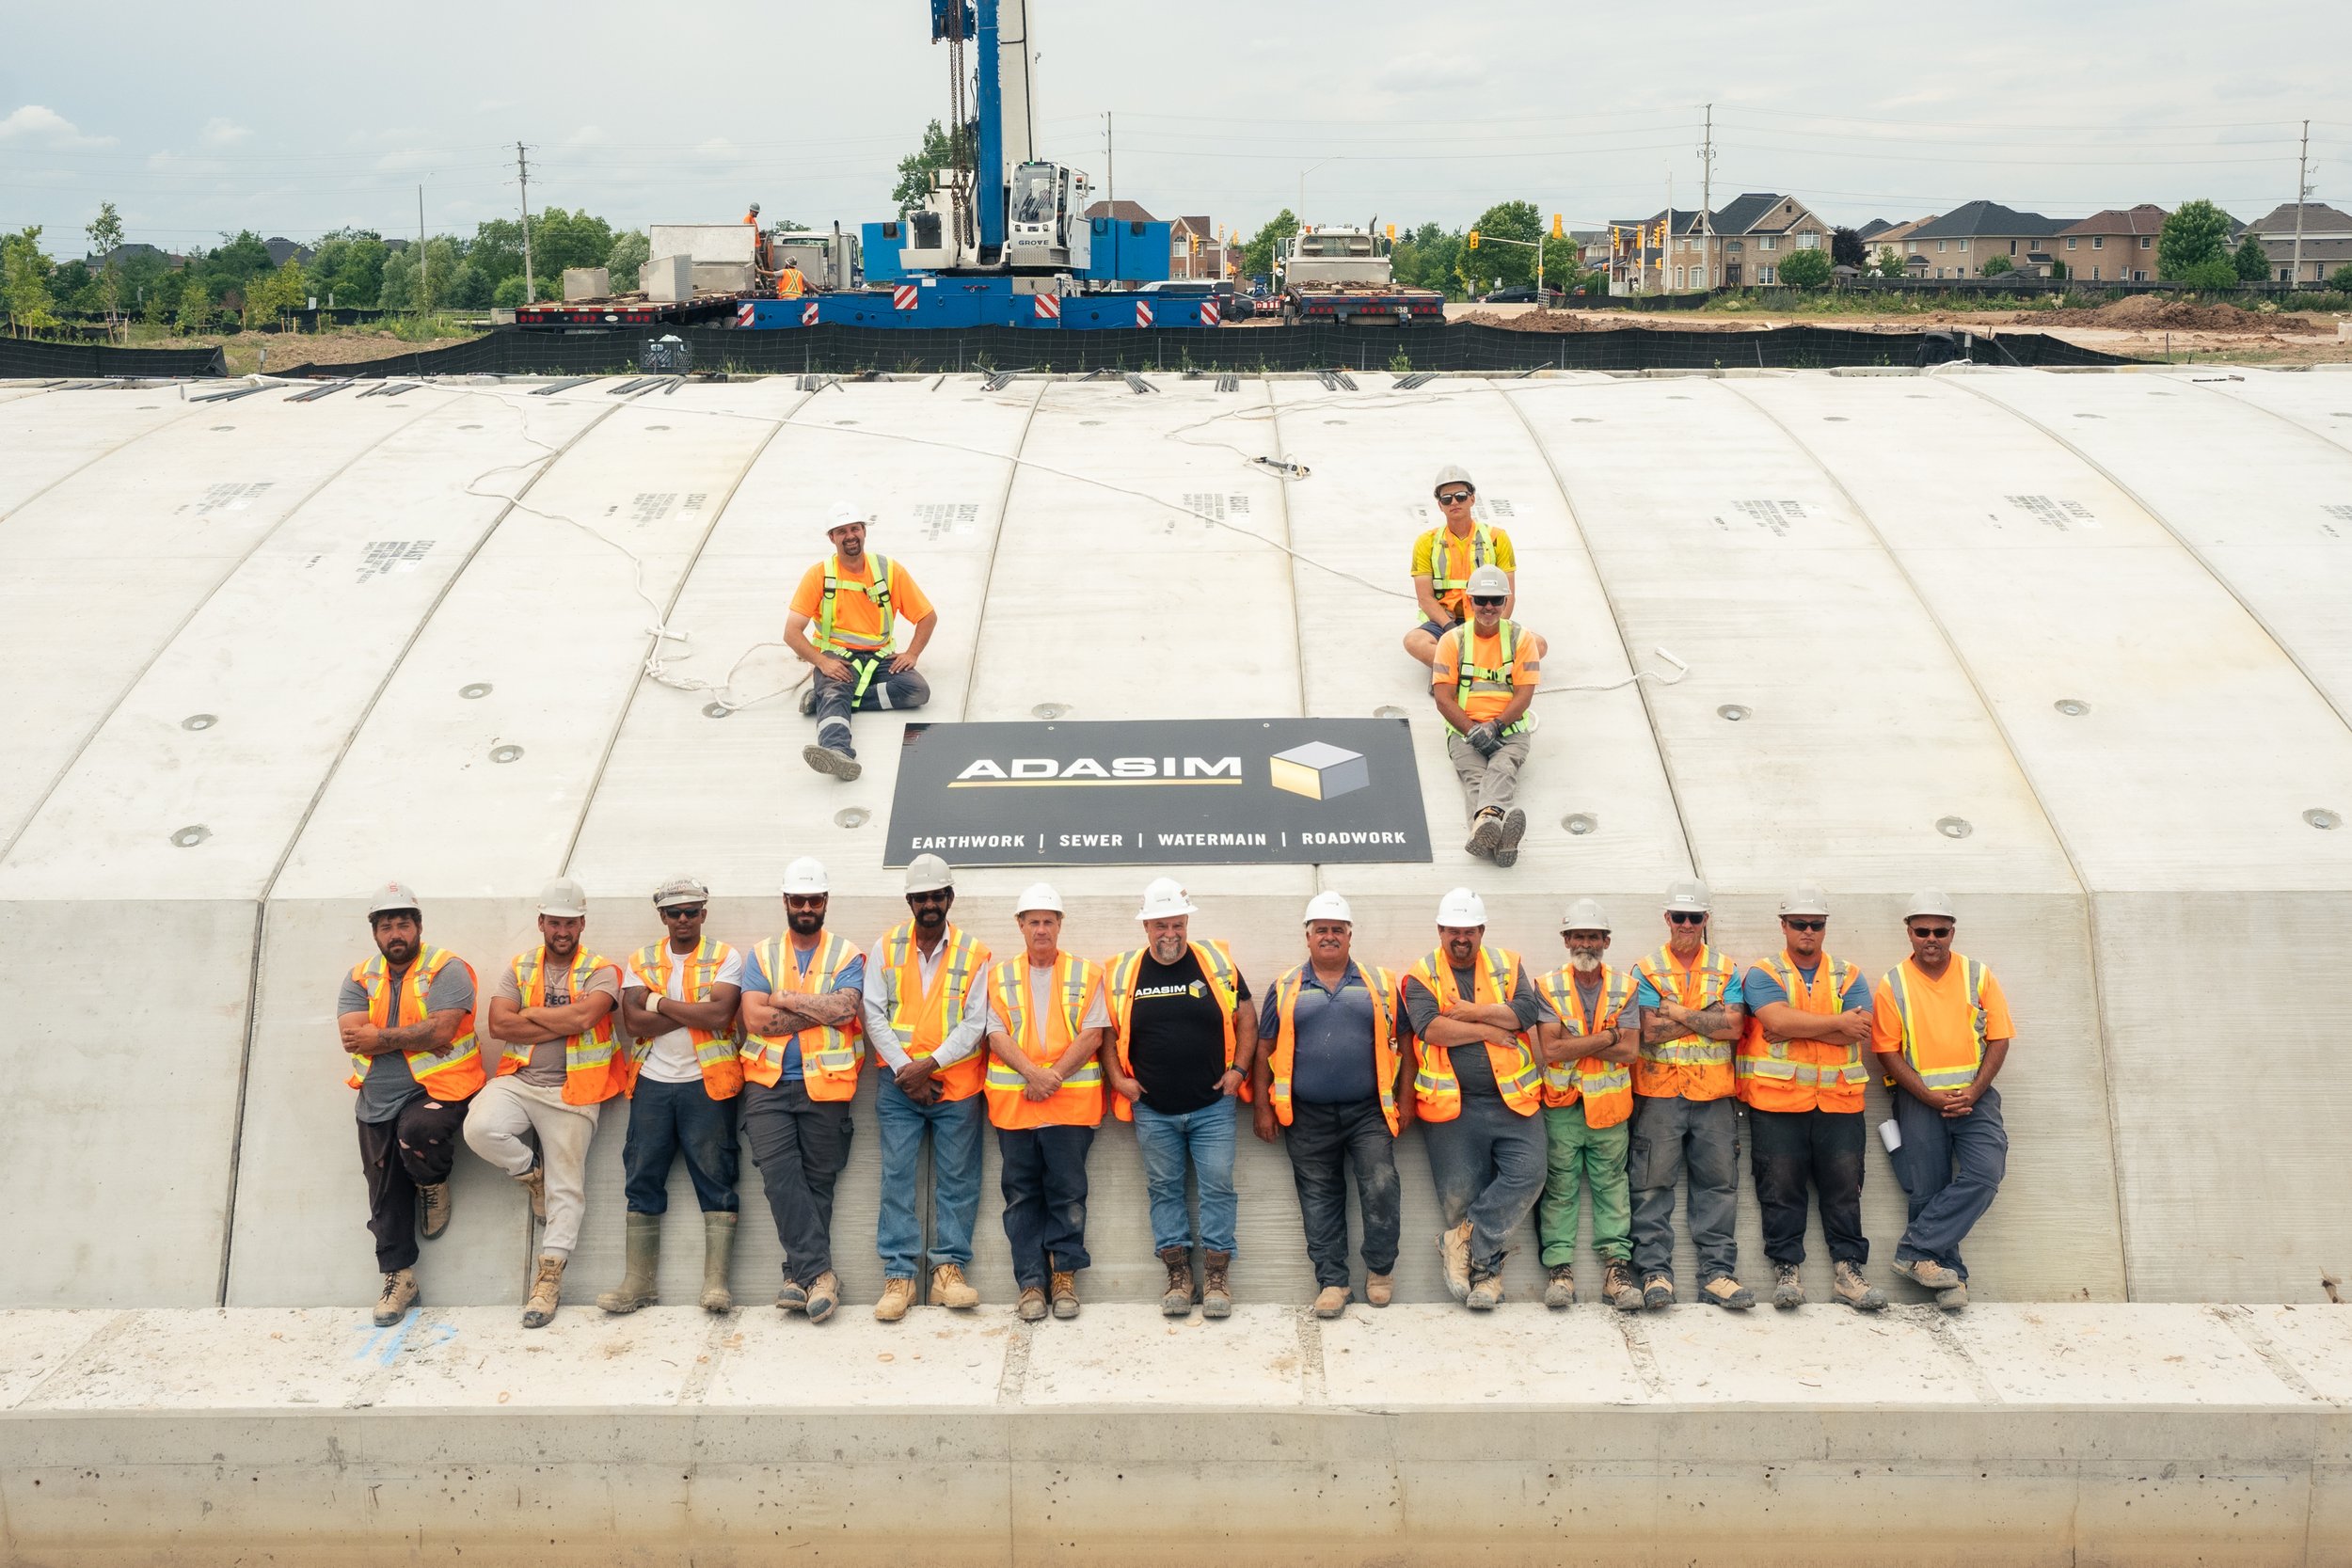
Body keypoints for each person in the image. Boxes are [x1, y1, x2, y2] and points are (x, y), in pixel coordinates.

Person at [469, 878, 625, 1329]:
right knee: (480, 1128)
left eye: (570, 923)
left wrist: (531, 1015)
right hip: (520, 1080)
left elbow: (585, 1017)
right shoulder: (519, 967)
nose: (562, 930)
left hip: (574, 1090)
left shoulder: (602, 970)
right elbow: (499, 1026)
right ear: (541, 922)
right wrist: (562, 1021)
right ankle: (528, 1172)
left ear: (581, 924)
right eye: (555, 922)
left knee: (568, 1189)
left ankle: (549, 1277)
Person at [1105, 878, 1257, 1321]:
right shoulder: (1123, 971)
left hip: (1212, 1107)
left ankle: (1215, 1277)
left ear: (1186, 921)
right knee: (1164, 1190)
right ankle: (1177, 1277)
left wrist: (1239, 1071)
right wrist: (1119, 1080)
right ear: (1146, 926)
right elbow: (1108, 1032)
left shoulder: (1215, 961)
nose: (1169, 933)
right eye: (1160, 925)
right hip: (1152, 1110)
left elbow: (1246, 1017)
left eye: (1176, 924)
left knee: (1217, 1188)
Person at [1250, 891, 1406, 1319]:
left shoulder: (1378, 982)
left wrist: (1405, 1100)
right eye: (1322, 930)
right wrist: (1263, 1108)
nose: (1330, 936)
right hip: (1306, 1113)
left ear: (1350, 936)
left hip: (1368, 1112)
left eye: (1338, 929)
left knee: (1380, 1184)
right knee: (1318, 1197)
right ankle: (1333, 1282)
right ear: (1308, 937)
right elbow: (1264, 1048)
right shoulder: (1285, 987)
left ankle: (1379, 1271)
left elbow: (1407, 1045)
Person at [337, 881, 484, 1326]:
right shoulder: (360, 976)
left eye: (404, 923)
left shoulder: (447, 968)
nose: (395, 933)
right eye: (386, 926)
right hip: (376, 1096)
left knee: (419, 1133)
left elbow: (441, 1033)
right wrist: (414, 1034)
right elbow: (350, 1039)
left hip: (439, 1087)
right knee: (382, 1193)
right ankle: (398, 1277)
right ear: (375, 933)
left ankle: (432, 1182)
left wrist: (380, 1037)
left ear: (419, 926)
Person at [1401, 887, 1554, 1311]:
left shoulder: (1509, 964)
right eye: (1453, 931)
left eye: (1468, 931)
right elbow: (1431, 1029)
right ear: (1440, 930)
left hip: (1514, 1101)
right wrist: (1489, 1028)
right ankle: (1488, 1280)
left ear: (1482, 930)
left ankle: (1459, 1242)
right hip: (1452, 1107)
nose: (1461, 939)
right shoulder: (1420, 974)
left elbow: (1523, 1014)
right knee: (1462, 1196)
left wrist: (1468, 1012)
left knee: (1529, 1175)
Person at [597, 877, 745, 1317]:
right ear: (662, 916)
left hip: (708, 1081)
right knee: (641, 1175)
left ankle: (716, 1284)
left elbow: (721, 1013)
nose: (684, 919)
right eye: (675, 912)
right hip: (652, 1084)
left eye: (692, 911)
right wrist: (691, 1012)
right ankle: (637, 1284)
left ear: (704, 912)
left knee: (717, 1176)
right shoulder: (640, 959)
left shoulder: (726, 956)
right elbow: (634, 1026)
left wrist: (658, 1001)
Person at [1737, 885, 1886, 1312]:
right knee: (1779, 1187)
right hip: (1778, 1103)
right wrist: (1832, 1022)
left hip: (1839, 1102)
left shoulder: (1848, 974)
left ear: (1824, 928)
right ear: (1783, 926)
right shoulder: (1763, 973)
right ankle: (1787, 1271)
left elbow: (1859, 1028)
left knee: (1845, 1189)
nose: (1807, 931)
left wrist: (1795, 1026)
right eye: (1799, 924)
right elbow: (1773, 1018)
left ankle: (1848, 1273)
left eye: (1815, 925)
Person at [863, 854, 993, 1321]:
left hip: (956, 1086)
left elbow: (975, 1021)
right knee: (897, 1178)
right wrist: (906, 1071)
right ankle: (899, 1276)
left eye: (937, 896)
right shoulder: (887, 946)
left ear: (949, 898)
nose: (929, 904)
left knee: (958, 1182)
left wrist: (931, 1065)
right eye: (921, 898)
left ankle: (947, 1272)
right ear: (910, 901)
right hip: (900, 1087)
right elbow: (872, 1013)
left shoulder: (975, 953)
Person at [738, 857, 866, 1324]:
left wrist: (783, 997)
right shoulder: (762, 954)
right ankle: (823, 1277)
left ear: (825, 901)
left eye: (814, 899)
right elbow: (754, 1018)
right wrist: (818, 1007)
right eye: (798, 900)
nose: (806, 907)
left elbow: (846, 1010)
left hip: (827, 1085)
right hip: (768, 1084)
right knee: (778, 1177)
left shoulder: (848, 954)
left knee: (818, 1183)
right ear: (786, 902)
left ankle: (797, 1277)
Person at [1872, 890, 2014, 1312]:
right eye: (1922, 931)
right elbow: (1887, 1050)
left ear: (1952, 932)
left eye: (1940, 931)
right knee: (1926, 1189)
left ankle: (1915, 1249)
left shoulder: (1978, 974)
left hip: (1976, 1097)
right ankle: (1954, 1282)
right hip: (1919, 1100)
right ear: (1909, 933)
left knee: (1985, 1173)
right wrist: (1929, 1097)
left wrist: (1974, 1090)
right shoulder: (1893, 983)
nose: (1931, 938)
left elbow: (1999, 1037)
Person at [983, 883, 1114, 1323]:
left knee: (1068, 1193)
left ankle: (1063, 1279)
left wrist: (1051, 1076)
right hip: (1016, 1107)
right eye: (1033, 921)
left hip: (1068, 1107)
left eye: (1049, 921)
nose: (1041, 928)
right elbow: (995, 1034)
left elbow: (1093, 1033)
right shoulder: (997, 977)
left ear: (1060, 925)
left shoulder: (1087, 974)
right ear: (1020, 926)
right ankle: (1030, 1284)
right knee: (1021, 1197)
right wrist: (1033, 1075)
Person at [1628, 879, 1750, 1311]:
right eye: (1678, 916)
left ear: (1705, 920)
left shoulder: (1725, 967)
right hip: (1659, 1092)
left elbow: (1734, 1028)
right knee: (1650, 1186)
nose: (1685, 924)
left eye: (1693, 917)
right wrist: (1706, 1016)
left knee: (1718, 1186)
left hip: (1714, 1095)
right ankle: (1655, 1274)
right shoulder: (1645, 969)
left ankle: (1718, 1275)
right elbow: (1648, 1031)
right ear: (1667, 918)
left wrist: (1674, 1011)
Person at [1529, 898, 1643, 1312]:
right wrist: (1608, 1037)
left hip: (1610, 1107)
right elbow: (1553, 1051)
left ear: (1606, 941)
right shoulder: (1547, 986)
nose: (1586, 943)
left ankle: (1617, 1270)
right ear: (1565, 940)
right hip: (1563, 1104)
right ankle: (1560, 1271)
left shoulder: (1625, 987)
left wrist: (1586, 1044)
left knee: (1613, 1187)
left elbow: (1631, 1053)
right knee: (1558, 1188)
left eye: (1593, 936)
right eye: (1578, 936)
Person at [783, 499, 937, 783]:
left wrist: (913, 654)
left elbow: (927, 616)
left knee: (917, 691)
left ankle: (826, 698)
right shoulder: (818, 575)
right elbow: (791, 633)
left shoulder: (889, 570)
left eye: (855, 529)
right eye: (841, 531)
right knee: (834, 690)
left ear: (864, 532)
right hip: (836, 656)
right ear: (832, 538)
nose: (850, 536)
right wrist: (822, 662)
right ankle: (837, 753)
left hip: (880, 656)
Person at [1431, 562, 1539, 867]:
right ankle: (1501, 837)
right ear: (1469, 602)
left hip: (1510, 729)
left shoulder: (1522, 639)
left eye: (1496, 600)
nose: (1488, 607)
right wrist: (1471, 730)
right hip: (1463, 730)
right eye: (1481, 600)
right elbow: (1443, 698)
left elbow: (1524, 694)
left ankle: (1485, 827)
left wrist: (1496, 726)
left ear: (1506, 602)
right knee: (1475, 776)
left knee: (1503, 765)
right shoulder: (1452, 641)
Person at [1404, 465, 1520, 669]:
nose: (1454, 502)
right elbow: (1425, 598)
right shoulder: (1426, 542)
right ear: (1440, 505)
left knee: (1538, 645)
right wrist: (1449, 629)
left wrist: (1492, 629)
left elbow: (1508, 594)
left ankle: (1452, 665)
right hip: (1445, 622)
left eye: (1461, 496)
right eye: (1447, 499)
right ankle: (1478, 666)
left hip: (1487, 616)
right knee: (1414, 642)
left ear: (1472, 498)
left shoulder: (1496, 538)